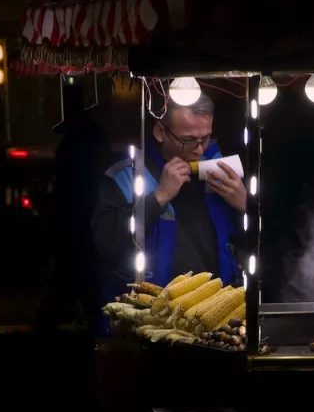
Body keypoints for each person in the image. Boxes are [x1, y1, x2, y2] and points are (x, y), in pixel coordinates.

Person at [91, 93, 247, 305]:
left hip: (215, 309)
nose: (199, 149)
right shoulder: (125, 176)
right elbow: (106, 245)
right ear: (160, 132)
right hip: (149, 312)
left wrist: (245, 206)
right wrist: (158, 197)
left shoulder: (220, 172)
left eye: (206, 138)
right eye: (189, 140)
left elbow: (252, 243)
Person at [37, 81, 110, 331]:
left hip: (77, 229)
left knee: (72, 294)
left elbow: (70, 190)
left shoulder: (78, 142)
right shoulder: (89, 138)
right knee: (85, 296)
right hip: (81, 229)